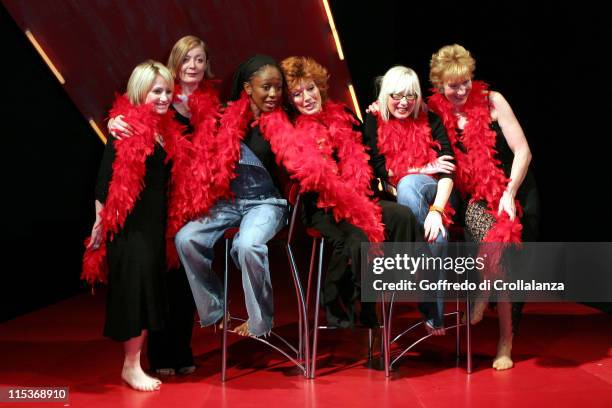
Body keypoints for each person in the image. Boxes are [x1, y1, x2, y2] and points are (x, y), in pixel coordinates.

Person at [259, 56, 419, 328]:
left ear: (320, 87)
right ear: (290, 99)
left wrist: (377, 112)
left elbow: (370, 147)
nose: (307, 98)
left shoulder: (343, 115)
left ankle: (393, 292)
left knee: (402, 216)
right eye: (297, 94)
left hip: (360, 198)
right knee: (358, 239)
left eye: (310, 89)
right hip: (323, 206)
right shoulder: (289, 130)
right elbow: (298, 172)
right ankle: (355, 304)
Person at [108, 35, 220, 376]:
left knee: (185, 278)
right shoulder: (162, 99)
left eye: (199, 60)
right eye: (187, 59)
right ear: (176, 63)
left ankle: (182, 349)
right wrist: (114, 121)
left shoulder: (211, 103)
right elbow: (131, 116)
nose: (193, 66)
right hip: (162, 203)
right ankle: (160, 355)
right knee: (162, 280)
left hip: (194, 202)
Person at [82, 60, 196, 391]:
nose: (162, 97)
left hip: (153, 226)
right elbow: (105, 180)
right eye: (155, 91)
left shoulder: (166, 128)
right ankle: (131, 366)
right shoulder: (126, 127)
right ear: (139, 91)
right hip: (130, 227)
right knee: (135, 295)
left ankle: (136, 364)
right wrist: (99, 219)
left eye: (166, 91)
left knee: (147, 294)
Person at [427, 44, 539, 370]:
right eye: (453, 85)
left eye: (465, 82)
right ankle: (482, 293)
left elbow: (523, 151)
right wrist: (381, 105)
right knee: (492, 240)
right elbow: (398, 107)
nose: (461, 90)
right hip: (466, 196)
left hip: (508, 190)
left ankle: (505, 338)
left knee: (501, 243)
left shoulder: (493, 101)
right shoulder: (432, 110)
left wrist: (508, 191)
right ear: (439, 84)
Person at [174, 55, 288, 338]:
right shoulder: (224, 116)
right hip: (228, 201)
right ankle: (214, 310)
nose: (273, 94)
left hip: (266, 202)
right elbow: (182, 118)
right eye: (266, 87)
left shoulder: (287, 121)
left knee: (249, 245)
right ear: (248, 88)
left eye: (278, 87)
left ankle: (260, 321)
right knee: (186, 239)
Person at [363, 65, 455, 335]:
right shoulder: (373, 120)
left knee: (409, 183)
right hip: (399, 199)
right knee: (437, 237)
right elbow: (379, 169)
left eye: (411, 96)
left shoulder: (430, 120)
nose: (404, 102)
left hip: (436, 192)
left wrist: (437, 210)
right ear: (385, 95)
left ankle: (417, 261)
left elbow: (449, 171)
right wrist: (424, 167)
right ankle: (433, 313)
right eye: (396, 95)